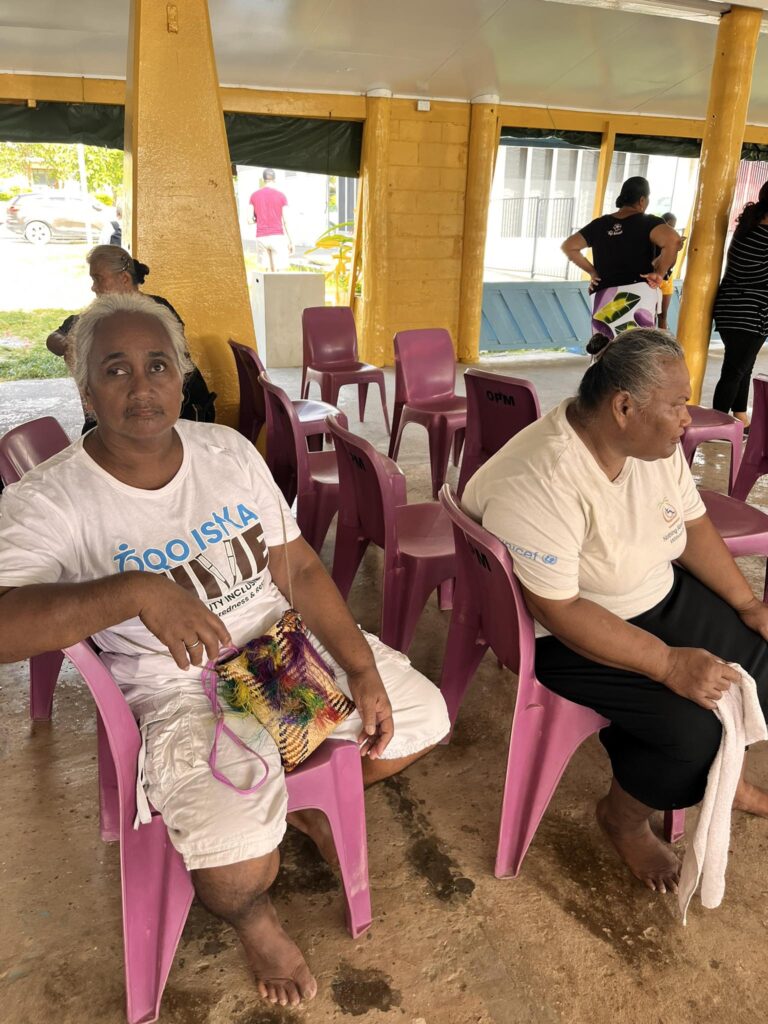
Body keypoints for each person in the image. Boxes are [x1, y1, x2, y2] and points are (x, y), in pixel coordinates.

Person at [0, 291, 449, 1007]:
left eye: (158, 365)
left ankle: (295, 804)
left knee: (420, 717)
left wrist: (360, 667)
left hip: (279, 649)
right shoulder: (50, 499)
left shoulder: (227, 451)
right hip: (182, 687)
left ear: (182, 377)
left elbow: (298, 566)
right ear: (84, 391)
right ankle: (256, 923)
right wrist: (133, 591)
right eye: (116, 370)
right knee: (238, 874)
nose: (142, 386)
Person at [462, 329, 768, 896]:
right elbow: (558, 607)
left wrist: (749, 604)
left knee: (761, 667)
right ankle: (623, 819)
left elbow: (693, 523)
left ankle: (725, 778)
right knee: (691, 732)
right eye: (677, 404)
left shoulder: (654, 449)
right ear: (624, 407)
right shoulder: (541, 480)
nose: (687, 418)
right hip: (563, 631)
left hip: (654, 593)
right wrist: (668, 664)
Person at [46, 246, 215, 425]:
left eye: (98, 279)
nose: (93, 287)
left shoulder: (157, 312)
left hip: (183, 410)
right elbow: (54, 339)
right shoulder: (101, 316)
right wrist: (70, 344)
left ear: (125, 278)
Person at [562, 177, 680, 342]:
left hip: (605, 295)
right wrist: (659, 274)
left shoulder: (600, 224)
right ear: (642, 200)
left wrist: (593, 272)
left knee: (605, 348)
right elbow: (673, 240)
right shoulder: (649, 223)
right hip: (639, 294)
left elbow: (569, 246)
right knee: (638, 349)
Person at [712, 182, 768, 428]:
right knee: (734, 371)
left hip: (729, 308)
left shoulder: (746, 229)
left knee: (741, 367)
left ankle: (740, 418)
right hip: (751, 313)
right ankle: (716, 423)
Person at [248, 169, 293, 272]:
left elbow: (249, 220)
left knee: (266, 272)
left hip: (261, 237)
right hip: (277, 236)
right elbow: (286, 221)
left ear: (263, 180)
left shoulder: (254, 196)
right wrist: (291, 241)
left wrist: (258, 219)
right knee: (278, 271)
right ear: (274, 179)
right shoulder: (281, 196)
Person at [657, 212, 685, 331]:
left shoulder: (672, 240)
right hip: (655, 278)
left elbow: (671, 264)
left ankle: (662, 339)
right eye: (670, 226)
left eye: (673, 227)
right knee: (650, 313)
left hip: (667, 278)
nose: (672, 229)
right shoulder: (655, 238)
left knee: (663, 315)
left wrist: (676, 249)